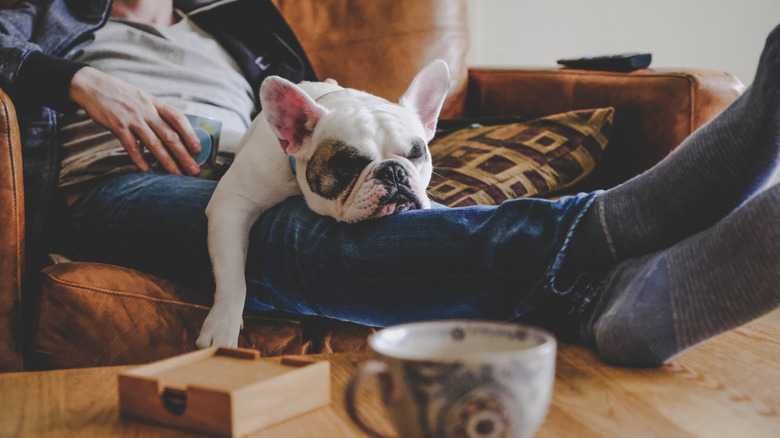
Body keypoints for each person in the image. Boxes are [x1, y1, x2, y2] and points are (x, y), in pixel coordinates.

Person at [1, 0, 778, 367]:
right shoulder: (46, 17)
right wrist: (82, 82)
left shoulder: (231, 22)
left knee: (359, 221)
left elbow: (302, 128)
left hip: (240, 157)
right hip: (116, 186)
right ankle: (619, 222)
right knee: (296, 240)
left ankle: (613, 308)